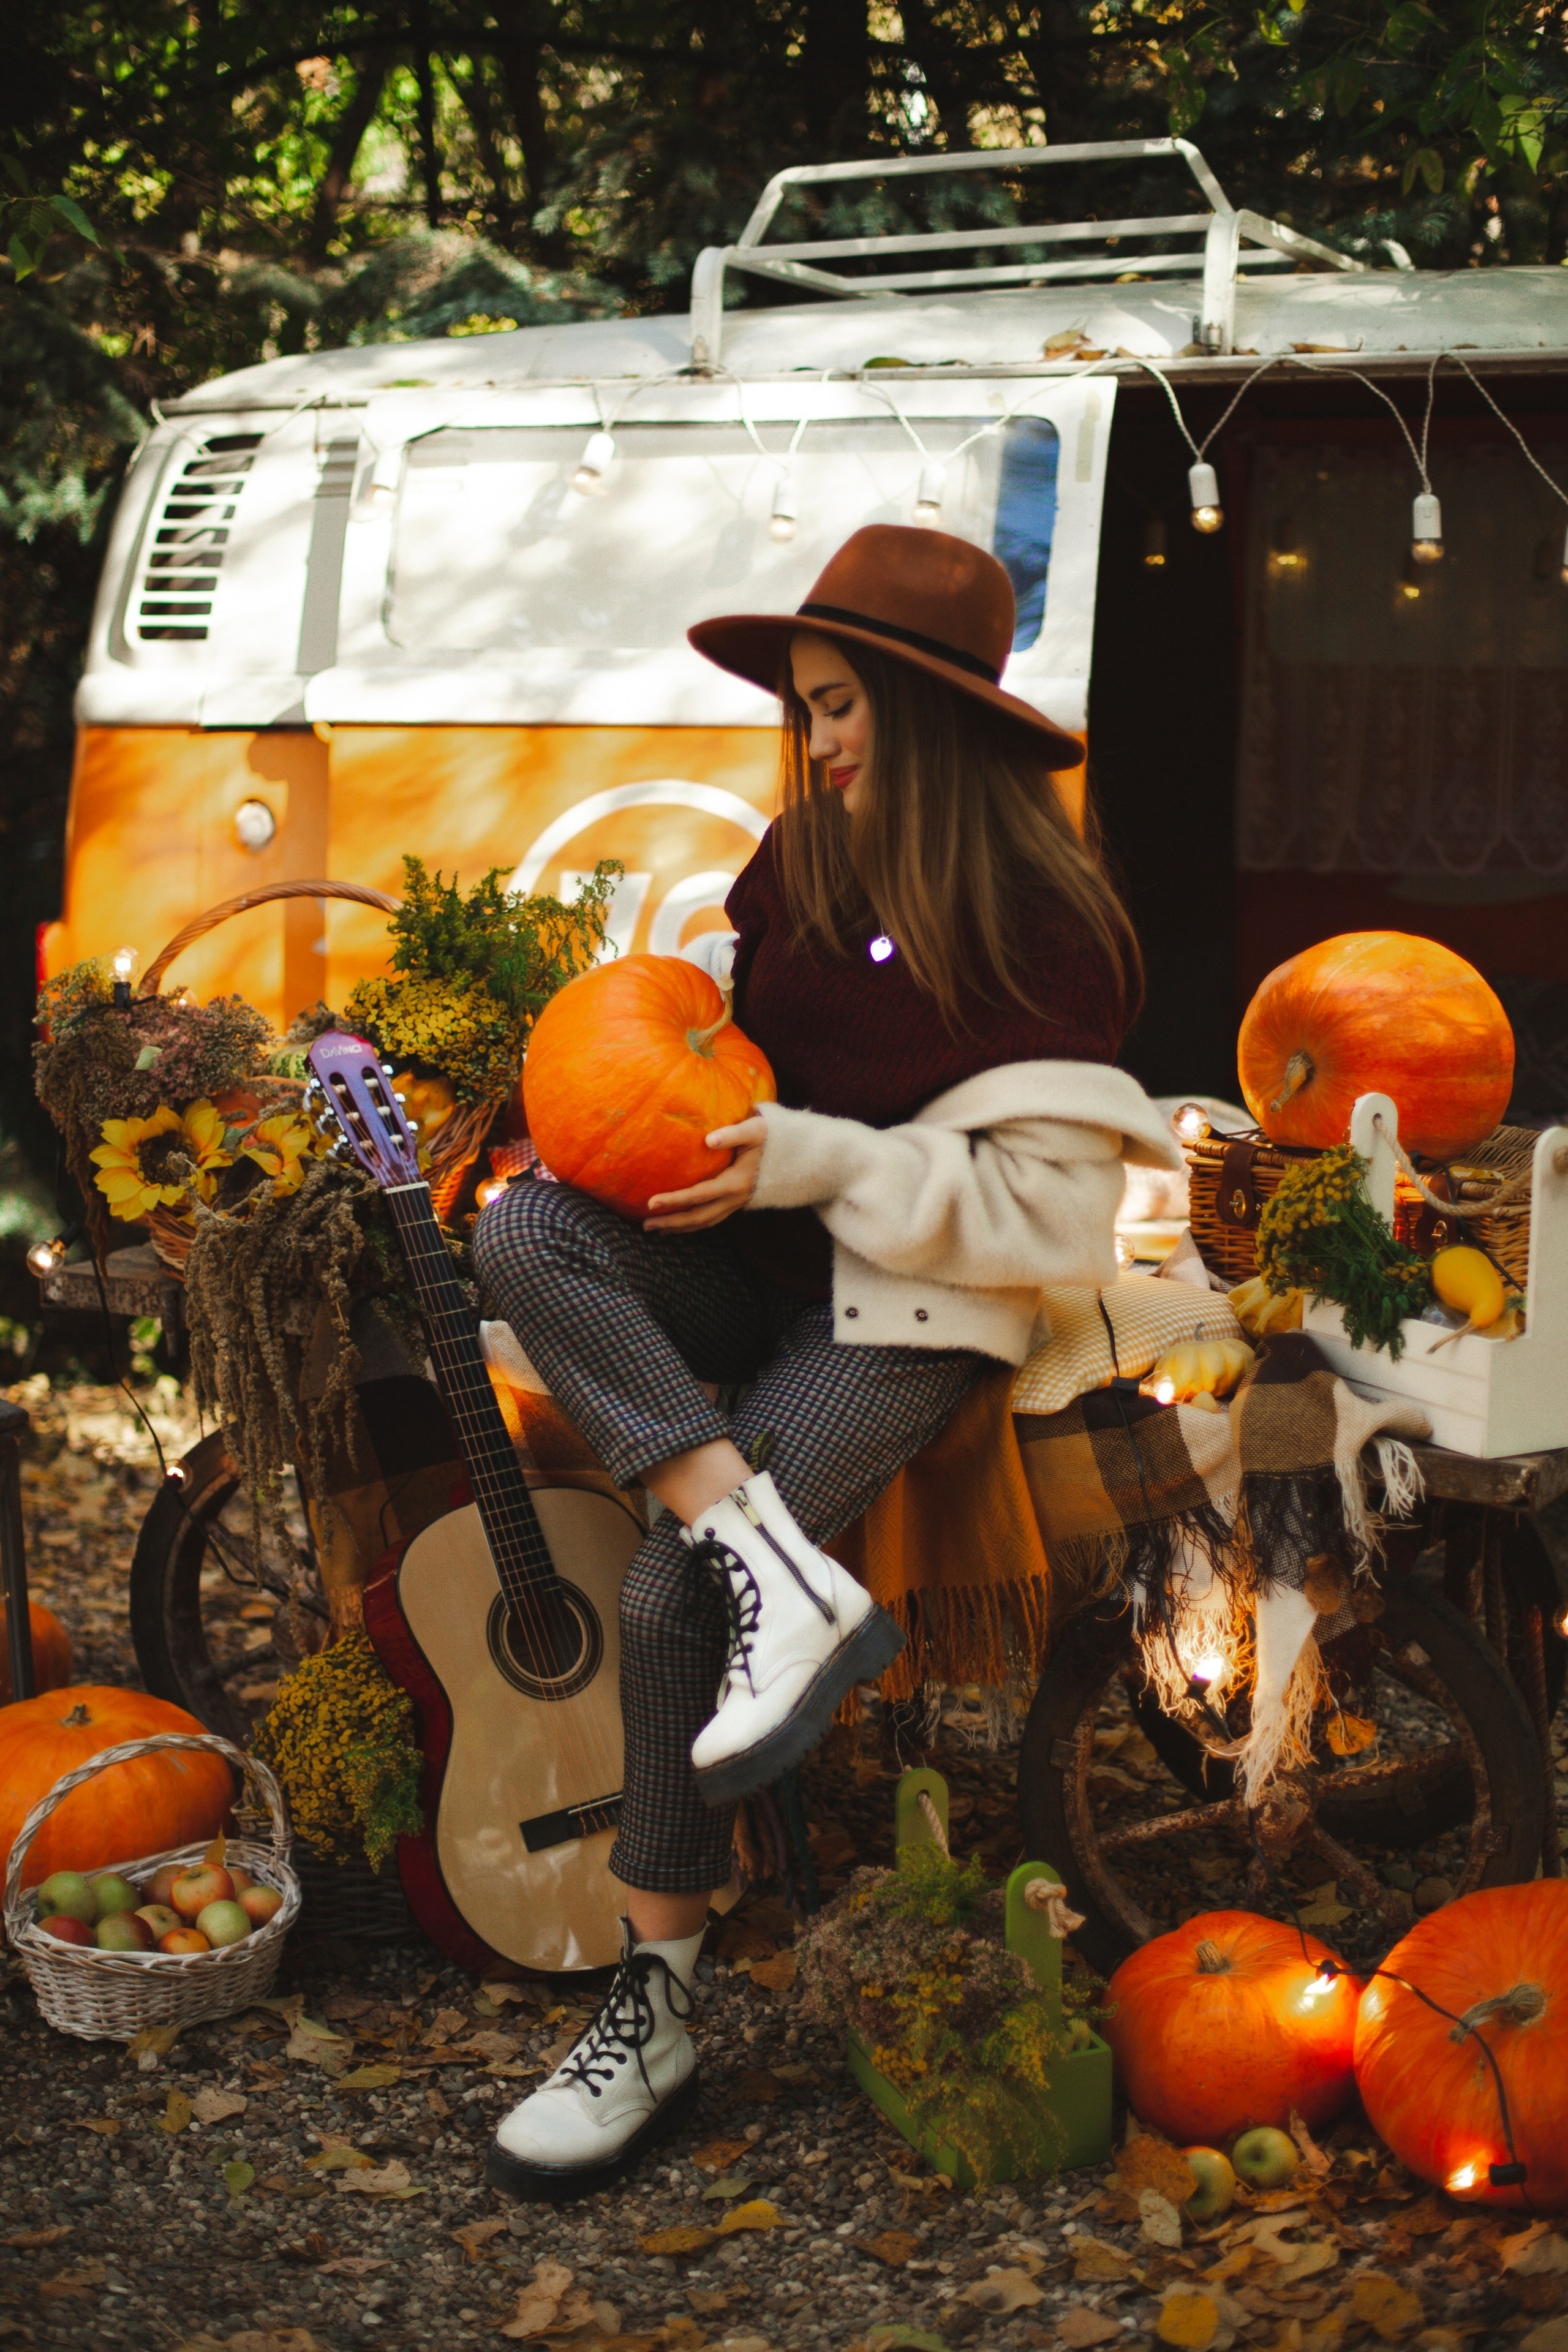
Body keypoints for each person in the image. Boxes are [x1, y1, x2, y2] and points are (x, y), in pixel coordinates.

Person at [471, 523, 1180, 2200]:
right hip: (759, 1262)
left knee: (658, 1603)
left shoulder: (1045, 929)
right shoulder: (800, 861)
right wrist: (649, 1045)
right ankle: (760, 1555)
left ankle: (654, 1994)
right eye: (811, 708)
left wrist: (817, 1159)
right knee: (521, 1236)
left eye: (845, 706)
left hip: (910, 1308)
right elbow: (715, 1053)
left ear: (933, 720)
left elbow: (1046, 1223)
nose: (822, 739)